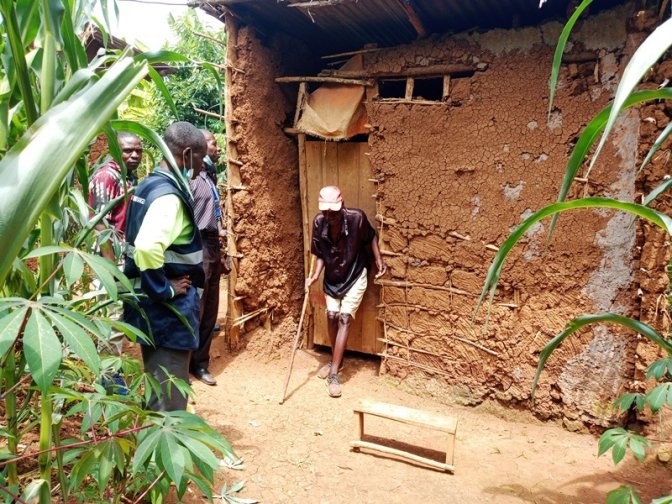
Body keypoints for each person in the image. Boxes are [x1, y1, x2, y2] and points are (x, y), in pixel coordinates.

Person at [122, 121, 207, 411]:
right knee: (168, 401)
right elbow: (147, 247)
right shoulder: (169, 197)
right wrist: (163, 289)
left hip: (150, 310)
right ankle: (164, 440)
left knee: (157, 387)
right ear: (187, 154)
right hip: (168, 313)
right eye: (200, 158)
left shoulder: (149, 184)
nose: (202, 165)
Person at [305, 186, 387, 397]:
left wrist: (378, 259)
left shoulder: (356, 218)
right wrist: (315, 276)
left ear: (342, 205)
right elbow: (320, 254)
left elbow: (371, 237)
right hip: (332, 277)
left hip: (355, 274)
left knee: (344, 318)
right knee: (332, 315)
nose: (329, 216)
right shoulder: (318, 222)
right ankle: (338, 362)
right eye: (325, 212)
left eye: (333, 211)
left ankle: (334, 373)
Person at [88, 133, 142, 392]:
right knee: (111, 316)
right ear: (114, 150)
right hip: (110, 260)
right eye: (128, 150)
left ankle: (110, 371)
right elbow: (100, 223)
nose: (134, 155)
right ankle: (108, 378)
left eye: (138, 151)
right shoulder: (106, 176)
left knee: (118, 316)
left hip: (124, 256)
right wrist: (110, 266)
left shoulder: (128, 177)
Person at [188, 130, 225, 386]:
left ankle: (201, 364)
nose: (217, 148)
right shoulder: (189, 178)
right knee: (196, 308)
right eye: (213, 143)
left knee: (210, 309)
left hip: (212, 245)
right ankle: (184, 365)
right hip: (198, 244)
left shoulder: (209, 176)